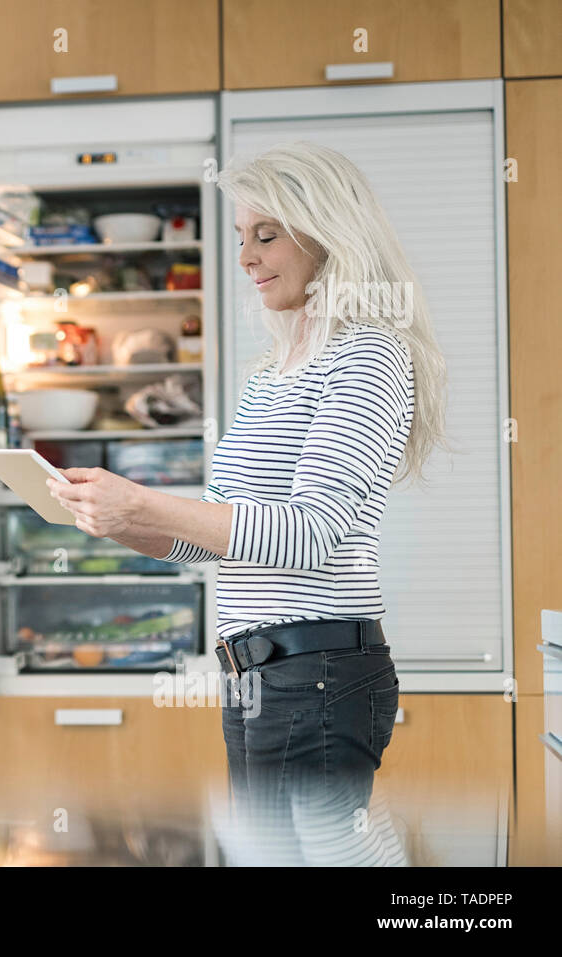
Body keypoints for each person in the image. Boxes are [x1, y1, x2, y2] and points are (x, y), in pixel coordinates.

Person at [46, 141, 448, 865]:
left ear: (330, 234)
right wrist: (116, 518)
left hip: (318, 672)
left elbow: (310, 534)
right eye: (241, 237)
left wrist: (145, 500)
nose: (247, 257)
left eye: (267, 235)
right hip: (256, 677)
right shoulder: (272, 376)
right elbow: (216, 537)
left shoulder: (368, 354)